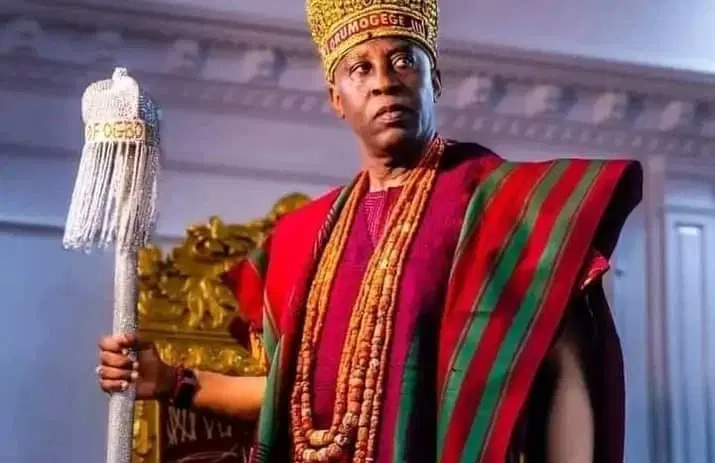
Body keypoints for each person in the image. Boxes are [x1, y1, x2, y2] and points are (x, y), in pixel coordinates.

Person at [96, 0, 643, 462]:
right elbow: (293, 401)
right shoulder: (300, 239)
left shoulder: (511, 207)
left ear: (434, 80)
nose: (384, 82)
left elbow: (565, 373)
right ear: (337, 98)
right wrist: (172, 383)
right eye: (360, 68)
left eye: (403, 61)